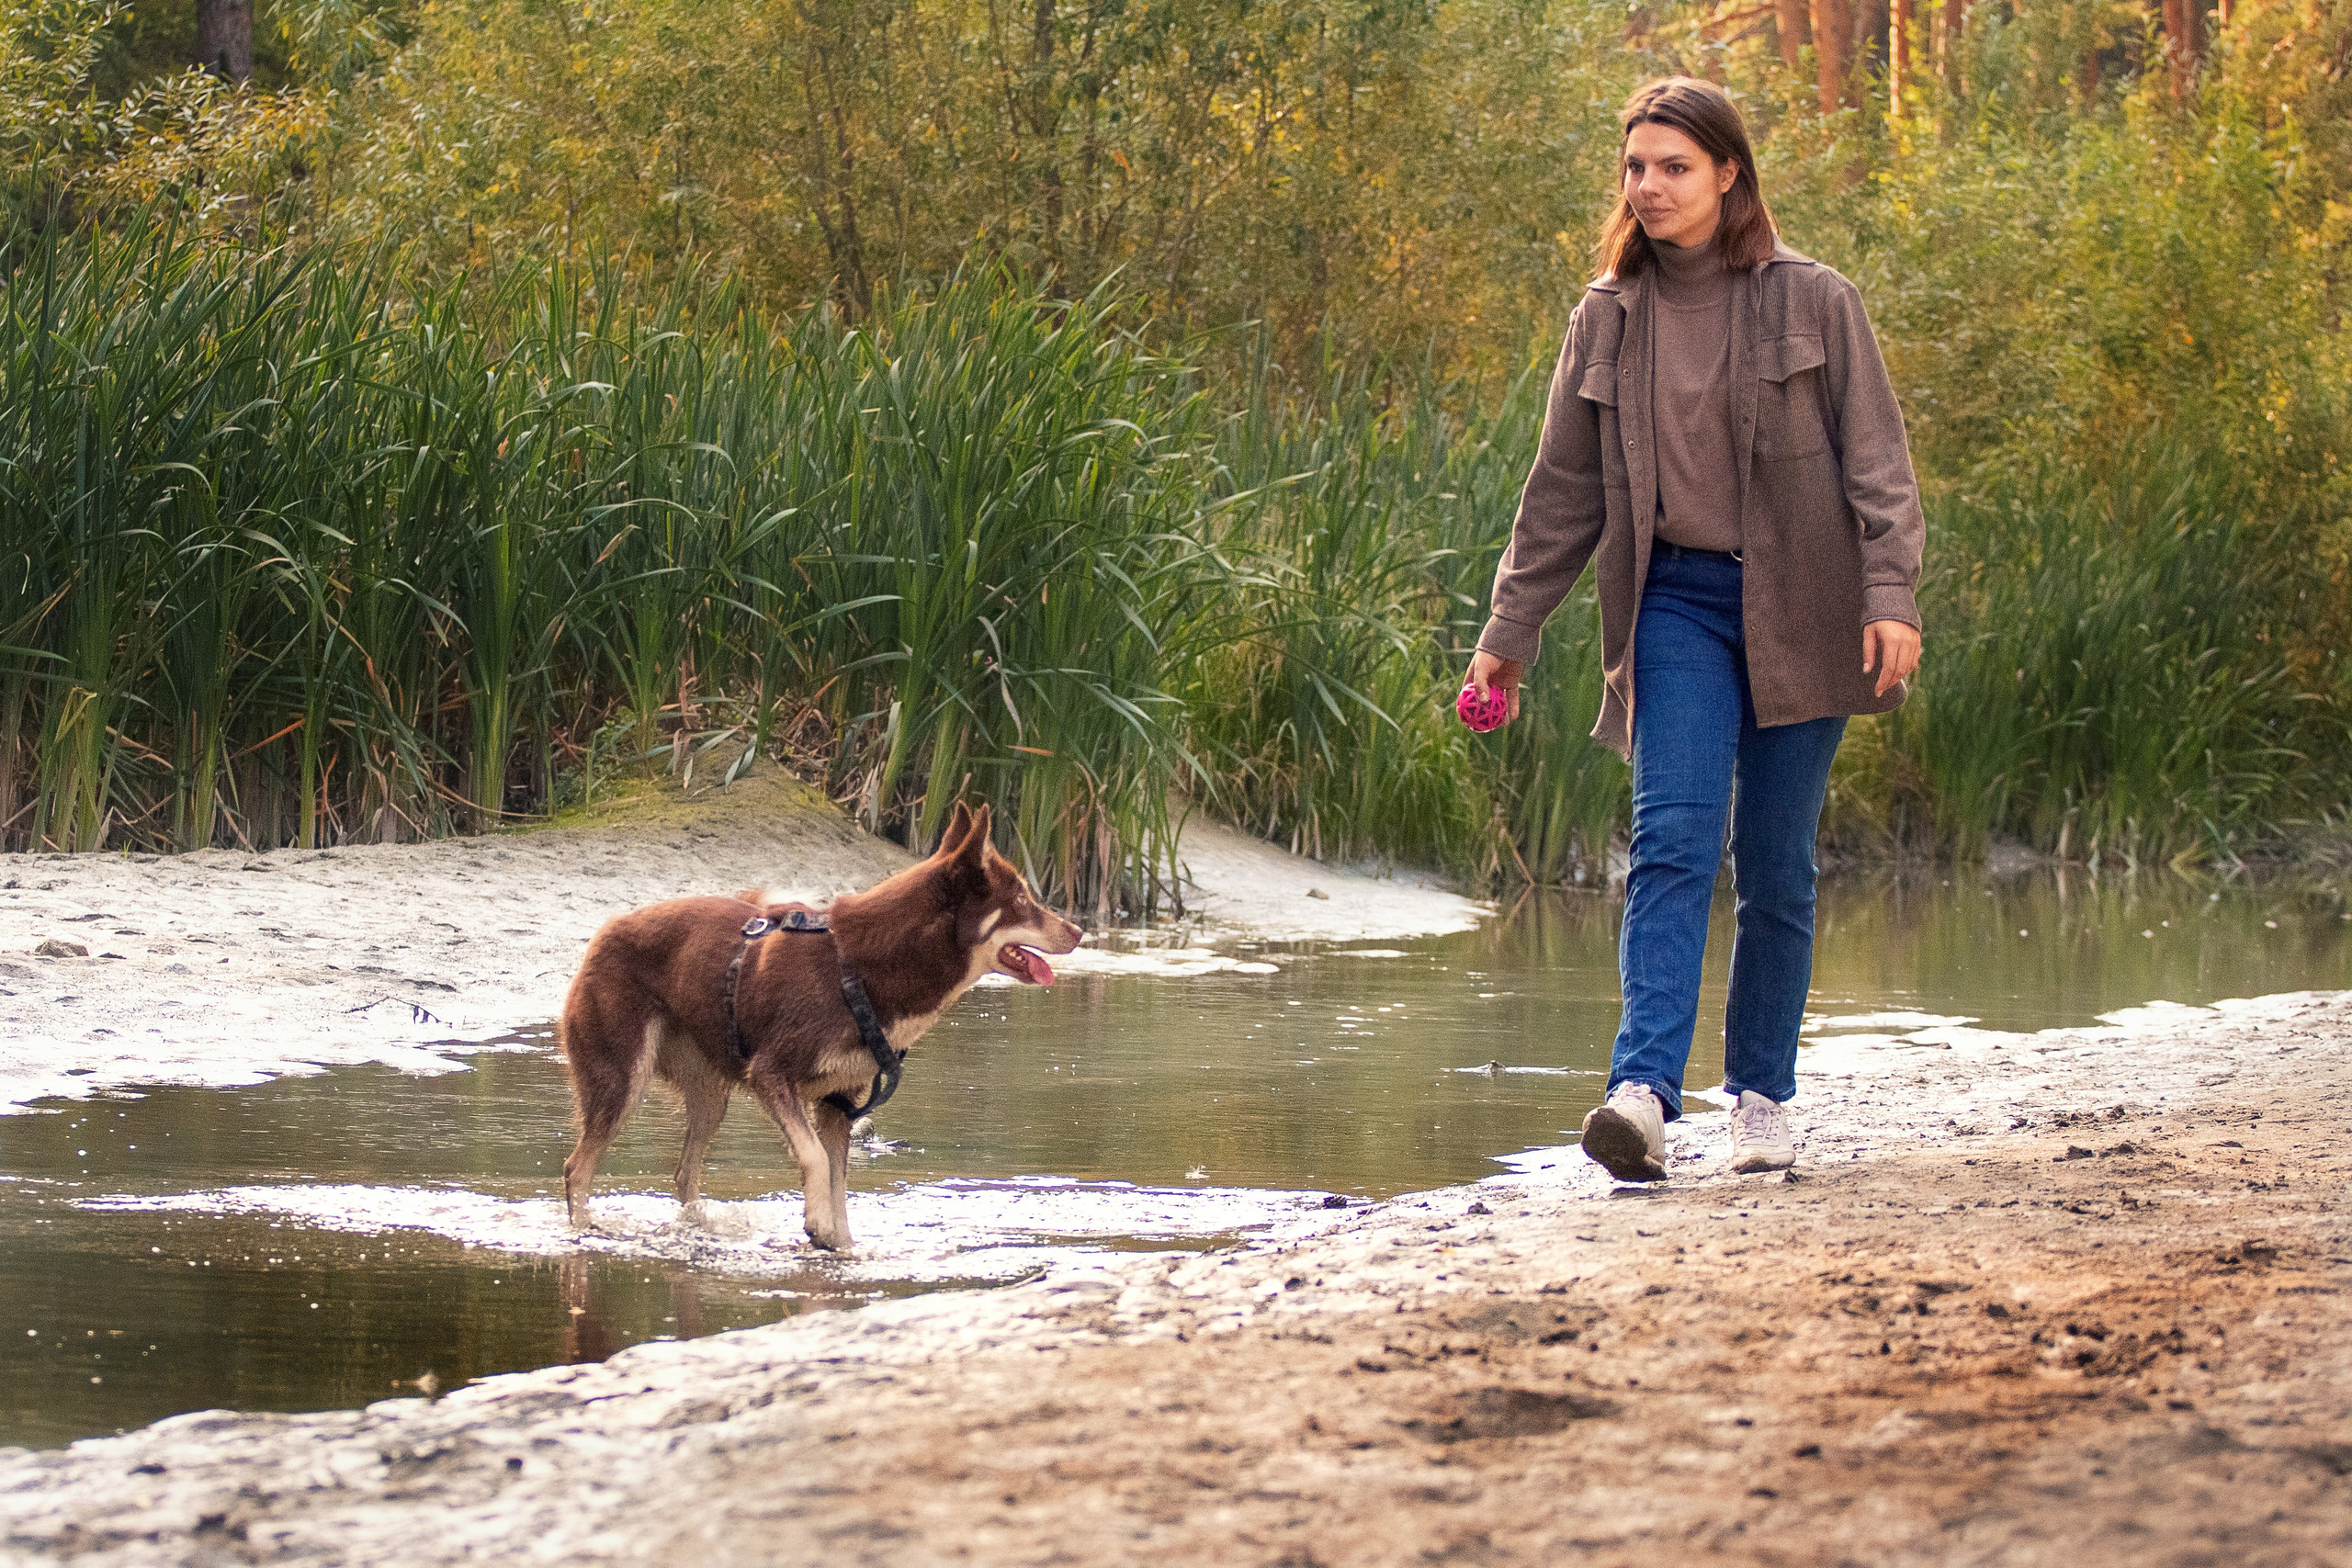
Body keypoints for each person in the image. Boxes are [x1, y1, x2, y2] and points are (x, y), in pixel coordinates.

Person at [1466, 76, 1924, 1181]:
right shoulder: (1606, 318)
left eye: (1674, 166)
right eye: (1635, 167)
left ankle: (1761, 1093)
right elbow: (1560, 495)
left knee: (1775, 865)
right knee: (1671, 839)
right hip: (1671, 603)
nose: (1650, 186)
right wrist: (1506, 634)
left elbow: (1879, 467)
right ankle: (1641, 1095)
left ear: (1728, 173)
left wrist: (1890, 598)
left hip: (1806, 610)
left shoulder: (1815, 301)